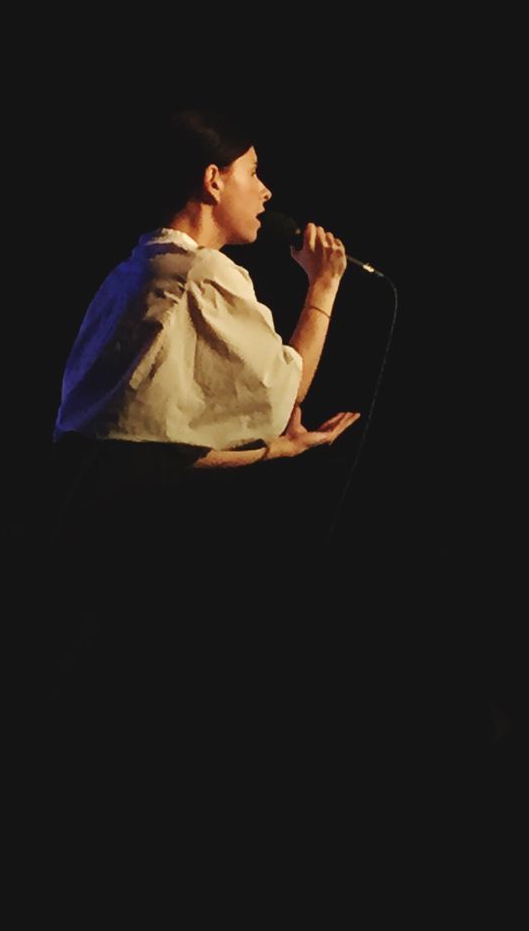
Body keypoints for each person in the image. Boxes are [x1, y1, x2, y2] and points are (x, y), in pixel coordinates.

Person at [41, 112, 364, 750]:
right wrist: (323, 285)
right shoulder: (202, 275)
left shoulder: (132, 271)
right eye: (252, 172)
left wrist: (276, 450)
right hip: (139, 555)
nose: (266, 191)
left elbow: (140, 450)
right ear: (213, 181)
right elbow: (286, 391)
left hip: (78, 531)